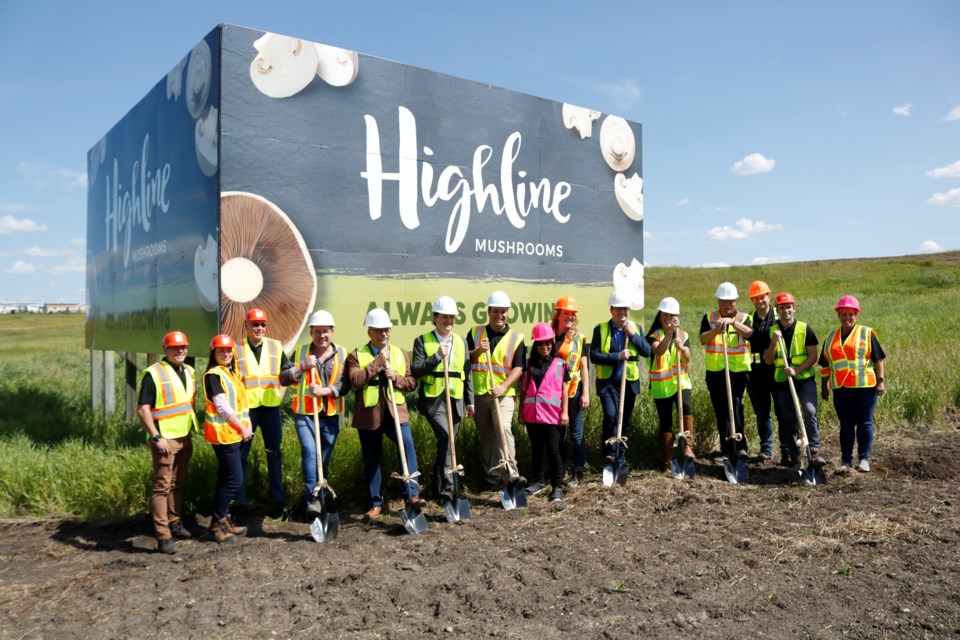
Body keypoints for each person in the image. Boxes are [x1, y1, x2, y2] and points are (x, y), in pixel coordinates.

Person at [346, 308, 426, 519]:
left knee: (407, 447)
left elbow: (411, 383)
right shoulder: (356, 355)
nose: (384, 334)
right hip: (369, 416)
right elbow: (355, 381)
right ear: (369, 332)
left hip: (396, 414)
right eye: (379, 330)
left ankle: (412, 495)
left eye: (386, 330)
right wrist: (378, 363)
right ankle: (376, 504)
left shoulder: (400, 353)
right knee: (372, 459)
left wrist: (396, 378)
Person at [136, 330, 200, 554]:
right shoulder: (153, 374)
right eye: (175, 347)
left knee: (177, 484)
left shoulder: (189, 371)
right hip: (164, 440)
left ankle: (175, 523)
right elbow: (143, 409)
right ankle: (163, 536)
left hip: (184, 436)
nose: (180, 350)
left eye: (183, 347)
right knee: (162, 487)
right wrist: (156, 437)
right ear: (165, 349)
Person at [278, 310, 347, 516]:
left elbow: (346, 384)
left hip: (331, 416)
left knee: (323, 459)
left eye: (326, 331)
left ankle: (321, 495)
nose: (322, 336)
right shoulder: (301, 352)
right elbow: (283, 378)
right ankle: (313, 499)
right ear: (311, 333)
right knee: (310, 452)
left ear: (332, 332)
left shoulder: (342, 353)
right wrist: (301, 367)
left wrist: (326, 391)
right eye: (318, 332)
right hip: (306, 415)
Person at [411, 296, 474, 503]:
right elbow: (417, 370)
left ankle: (438, 490)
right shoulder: (422, 340)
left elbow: (467, 372)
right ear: (435, 317)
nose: (449, 320)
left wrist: (470, 401)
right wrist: (437, 356)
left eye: (452, 317)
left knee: (447, 444)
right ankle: (449, 487)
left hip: (454, 399)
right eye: (444, 316)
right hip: (433, 400)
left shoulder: (461, 342)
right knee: (446, 438)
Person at [467, 290, 527, 490]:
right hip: (480, 393)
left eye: (503, 311)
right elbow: (467, 359)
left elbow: (519, 368)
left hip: (503, 394)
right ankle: (492, 480)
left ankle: (512, 475)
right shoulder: (475, 333)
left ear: (508, 313)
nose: (499, 315)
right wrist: (478, 351)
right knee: (487, 438)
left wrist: (503, 386)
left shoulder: (516, 338)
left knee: (504, 431)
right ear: (489, 311)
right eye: (495, 311)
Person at [819, 295, 886, 472]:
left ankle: (864, 459)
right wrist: (824, 386)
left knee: (864, 423)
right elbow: (826, 364)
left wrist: (880, 382)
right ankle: (846, 461)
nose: (847, 317)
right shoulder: (831, 336)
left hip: (865, 387)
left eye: (850, 314)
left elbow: (878, 360)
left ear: (856, 315)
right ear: (838, 315)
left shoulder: (867, 333)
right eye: (843, 314)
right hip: (840, 388)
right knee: (846, 425)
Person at [233, 308, 290, 516]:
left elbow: (287, 374)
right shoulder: (235, 349)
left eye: (262, 324)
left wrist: (280, 396)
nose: (259, 328)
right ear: (246, 326)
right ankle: (239, 502)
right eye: (255, 324)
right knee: (241, 455)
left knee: (274, 454)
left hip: (270, 409)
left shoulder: (275, 347)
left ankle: (277, 500)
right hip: (246, 410)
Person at [590, 290, 652, 471]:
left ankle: (620, 455)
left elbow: (647, 352)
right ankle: (609, 453)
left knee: (624, 420)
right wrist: (618, 356)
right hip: (607, 383)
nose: (622, 313)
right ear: (611, 310)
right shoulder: (600, 329)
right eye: (618, 309)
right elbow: (594, 356)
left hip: (629, 382)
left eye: (625, 309)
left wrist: (632, 335)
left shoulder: (635, 328)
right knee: (611, 416)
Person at [762, 293, 824, 469]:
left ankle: (814, 450)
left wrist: (796, 370)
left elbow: (813, 357)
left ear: (794, 308)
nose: (786, 310)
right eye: (782, 307)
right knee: (788, 419)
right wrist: (774, 340)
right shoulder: (771, 331)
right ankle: (796, 456)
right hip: (782, 382)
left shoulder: (805, 329)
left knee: (809, 411)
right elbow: (768, 359)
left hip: (804, 380)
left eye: (789, 306)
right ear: (777, 310)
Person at [203, 334, 253, 543]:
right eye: (221, 351)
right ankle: (218, 522)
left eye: (228, 350)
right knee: (235, 480)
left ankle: (223, 521)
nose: (225, 354)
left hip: (235, 434)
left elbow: (241, 403)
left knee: (226, 479)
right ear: (213, 353)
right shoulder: (214, 375)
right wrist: (242, 427)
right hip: (224, 435)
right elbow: (222, 407)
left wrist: (246, 424)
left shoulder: (231, 373)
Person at [699, 282, 754, 462]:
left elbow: (749, 334)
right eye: (724, 301)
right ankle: (725, 448)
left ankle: (740, 446)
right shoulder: (709, 317)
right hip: (716, 370)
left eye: (730, 301)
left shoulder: (744, 317)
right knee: (721, 409)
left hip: (738, 371)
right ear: (718, 301)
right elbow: (702, 339)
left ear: (736, 301)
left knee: (736, 406)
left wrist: (733, 323)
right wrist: (715, 330)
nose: (727, 305)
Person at [519, 322, 569, 502]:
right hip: (532, 415)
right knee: (537, 449)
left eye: (548, 342)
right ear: (535, 345)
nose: (545, 346)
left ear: (552, 343)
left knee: (554, 450)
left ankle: (557, 486)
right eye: (540, 343)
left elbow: (564, 391)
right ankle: (538, 481)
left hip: (552, 416)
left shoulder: (560, 364)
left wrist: (565, 412)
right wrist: (520, 412)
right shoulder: (528, 364)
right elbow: (524, 390)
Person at [645, 297, 693, 473]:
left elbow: (687, 359)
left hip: (681, 383)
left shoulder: (684, 335)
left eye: (672, 315)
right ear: (660, 316)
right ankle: (667, 462)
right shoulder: (653, 336)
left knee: (686, 409)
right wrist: (670, 334)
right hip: (662, 386)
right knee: (665, 422)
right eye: (665, 314)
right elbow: (659, 350)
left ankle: (688, 448)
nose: (668, 317)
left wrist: (683, 348)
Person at [550, 296, 591, 486]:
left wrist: (586, 393)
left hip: (574, 392)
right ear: (558, 314)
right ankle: (563, 470)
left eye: (572, 314)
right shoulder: (548, 336)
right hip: (552, 393)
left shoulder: (579, 339)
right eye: (566, 313)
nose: (570, 317)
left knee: (576, 433)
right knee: (561, 434)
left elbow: (584, 367)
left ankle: (579, 471)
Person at [746, 280, 777, 462]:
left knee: (783, 411)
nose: (760, 301)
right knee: (762, 413)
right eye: (756, 298)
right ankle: (766, 449)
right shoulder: (749, 321)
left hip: (777, 371)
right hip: (755, 372)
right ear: (752, 300)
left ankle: (789, 448)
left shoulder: (779, 318)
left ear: (769, 296)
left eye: (763, 297)